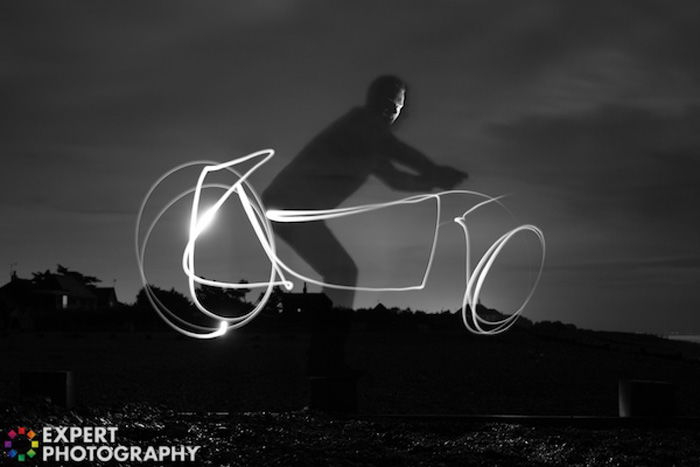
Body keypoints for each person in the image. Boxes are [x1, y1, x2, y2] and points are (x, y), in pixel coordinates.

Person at [262, 75, 467, 310]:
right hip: (288, 206)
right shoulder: (361, 127)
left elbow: (396, 178)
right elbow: (399, 154)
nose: (391, 113)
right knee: (342, 272)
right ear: (373, 100)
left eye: (397, 108)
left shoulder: (368, 141)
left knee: (342, 272)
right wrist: (435, 173)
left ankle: (328, 340)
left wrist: (433, 178)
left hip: (293, 207)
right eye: (388, 104)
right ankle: (328, 344)